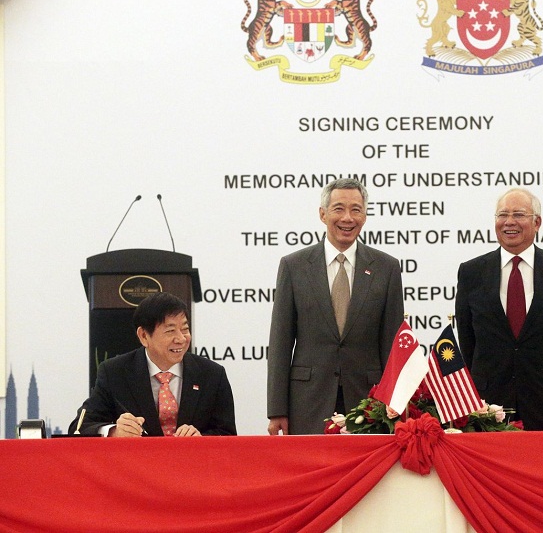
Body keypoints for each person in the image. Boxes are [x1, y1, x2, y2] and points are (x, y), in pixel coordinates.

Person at [267, 178, 404, 435]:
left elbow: (392, 345)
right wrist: (277, 410)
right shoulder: (294, 266)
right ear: (323, 214)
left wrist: (395, 407)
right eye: (339, 209)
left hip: (368, 401)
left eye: (356, 210)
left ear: (365, 216)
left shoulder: (387, 268)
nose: (347, 218)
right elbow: (280, 342)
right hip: (307, 401)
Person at [455, 188, 543, 430]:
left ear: (537, 223)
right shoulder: (471, 272)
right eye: (502, 214)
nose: (509, 222)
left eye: (519, 214)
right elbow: (467, 340)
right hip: (487, 405)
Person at [68, 292, 236, 437]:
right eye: (170, 331)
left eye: (184, 329)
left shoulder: (212, 374)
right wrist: (114, 431)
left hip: (192, 463)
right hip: (136, 464)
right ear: (143, 336)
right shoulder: (114, 372)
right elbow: (79, 427)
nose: (181, 339)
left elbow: (228, 434)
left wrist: (201, 438)